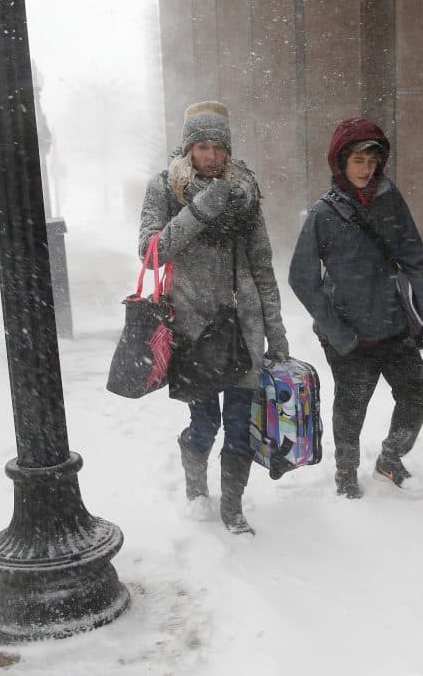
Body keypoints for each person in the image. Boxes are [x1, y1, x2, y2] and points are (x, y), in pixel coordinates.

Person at [139, 101, 288, 535]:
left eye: (218, 147)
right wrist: (201, 209)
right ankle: (194, 485)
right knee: (205, 422)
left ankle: (233, 508)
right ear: (188, 151)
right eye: (202, 147)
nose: (211, 156)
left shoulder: (245, 192)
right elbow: (151, 253)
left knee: (240, 428)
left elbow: (263, 266)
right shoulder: (166, 188)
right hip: (194, 329)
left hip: (244, 330)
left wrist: (276, 334)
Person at [289, 117, 423, 499]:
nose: (366, 168)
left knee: (417, 387)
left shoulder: (390, 199)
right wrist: (339, 331)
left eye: (372, 161)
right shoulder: (323, 214)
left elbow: (414, 257)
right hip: (350, 333)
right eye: (358, 160)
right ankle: (346, 470)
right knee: (352, 404)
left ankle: (391, 457)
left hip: (392, 325)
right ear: (341, 162)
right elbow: (301, 279)